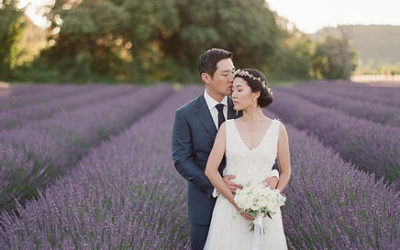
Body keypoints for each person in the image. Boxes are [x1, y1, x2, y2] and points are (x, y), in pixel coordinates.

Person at [171, 48, 280, 250]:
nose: (232, 78)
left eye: (233, 71)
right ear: (206, 77)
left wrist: (274, 173)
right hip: (204, 204)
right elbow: (182, 160)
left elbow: (264, 146)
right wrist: (216, 185)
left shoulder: (243, 106)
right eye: (225, 74)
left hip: (248, 203)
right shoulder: (185, 114)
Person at [203, 68, 291, 249]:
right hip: (230, 210)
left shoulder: (278, 129)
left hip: (266, 213)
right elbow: (210, 170)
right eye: (232, 90)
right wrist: (236, 205)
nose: (233, 95)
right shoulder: (227, 128)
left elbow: (286, 170)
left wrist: (272, 198)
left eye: (239, 90)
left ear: (255, 94)